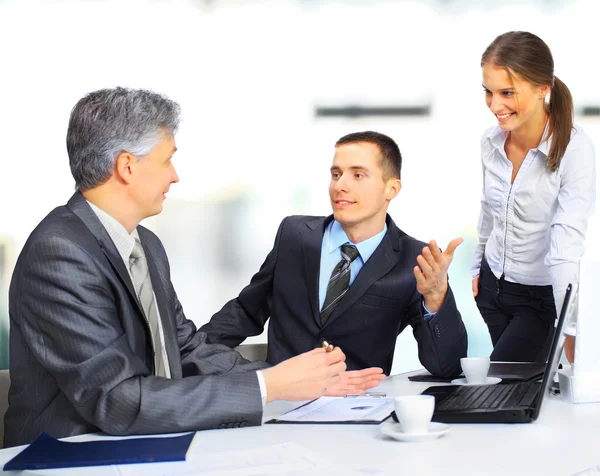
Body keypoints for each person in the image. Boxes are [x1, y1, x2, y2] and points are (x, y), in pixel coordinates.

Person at [4, 88, 383, 448]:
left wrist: (303, 379)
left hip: (148, 442)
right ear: (127, 167)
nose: (175, 175)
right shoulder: (60, 253)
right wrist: (270, 386)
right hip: (70, 456)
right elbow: (116, 400)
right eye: (167, 159)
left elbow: (186, 348)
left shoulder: (145, 244)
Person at [200, 131, 468, 377]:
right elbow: (247, 311)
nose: (340, 185)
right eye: (336, 174)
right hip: (281, 401)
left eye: (358, 175)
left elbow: (447, 367)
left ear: (391, 189)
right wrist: (182, 356)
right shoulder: (294, 235)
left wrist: (435, 298)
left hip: (359, 408)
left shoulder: (414, 259)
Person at [472, 31, 596, 363]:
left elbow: (566, 244)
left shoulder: (575, 150)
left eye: (507, 92)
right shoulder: (491, 141)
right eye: (489, 92)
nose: (495, 105)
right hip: (491, 289)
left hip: (540, 299)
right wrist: (476, 265)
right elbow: (489, 207)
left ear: (543, 88)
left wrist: (570, 327)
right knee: (518, 393)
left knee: (507, 388)